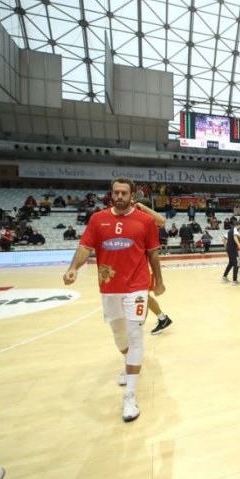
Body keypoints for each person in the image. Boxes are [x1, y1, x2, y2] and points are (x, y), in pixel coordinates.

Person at [63, 177, 165, 422]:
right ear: (111, 194)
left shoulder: (144, 220)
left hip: (137, 286)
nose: (119, 197)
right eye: (116, 193)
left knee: (135, 333)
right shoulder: (98, 219)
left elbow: (153, 253)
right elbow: (85, 247)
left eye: (124, 193)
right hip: (110, 287)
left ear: (133, 195)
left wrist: (158, 281)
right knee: (119, 336)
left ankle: (130, 395)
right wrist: (73, 267)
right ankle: (128, 363)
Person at [134, 198, 174, 335]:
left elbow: (162, 220)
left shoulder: (150, 222)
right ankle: (160, 319)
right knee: (142, 296)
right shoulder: (137, 222)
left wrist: (141, 206)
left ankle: (158, 319)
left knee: (142, 295)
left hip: (145, 263)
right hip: (138, 263)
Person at [222, 218, 240, 286]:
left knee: (231, 263)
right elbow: (235, 237)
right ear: (238, 225)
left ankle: (224, 276)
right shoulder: (235, 229)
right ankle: (235, 281)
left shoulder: (229, 231)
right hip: (233, 249)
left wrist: (226, 246)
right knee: (237, 264)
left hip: (229, 248)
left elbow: (223, 239)